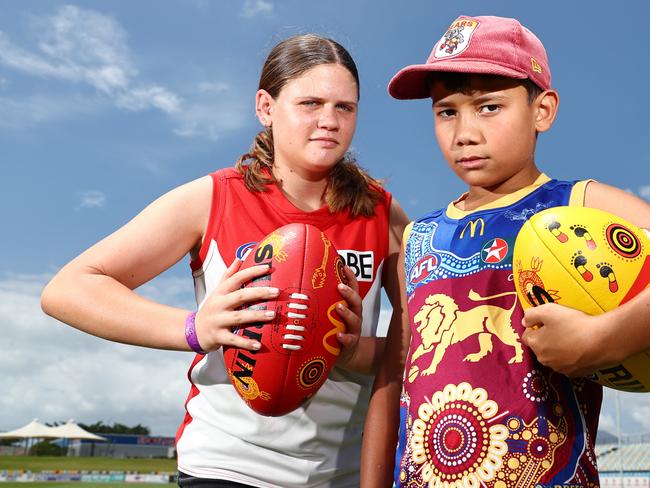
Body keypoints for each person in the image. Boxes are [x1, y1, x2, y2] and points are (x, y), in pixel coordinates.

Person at [41, 34, 409, 488]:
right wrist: (197, 327)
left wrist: (351, 349)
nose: (329, 121)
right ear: (266, 107)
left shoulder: (381, 213)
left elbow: (419, 347)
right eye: (310, 103)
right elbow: (68, 289)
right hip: (226, 466)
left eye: (344, 107)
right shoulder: (214, 198)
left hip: (340, 473)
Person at [360, 15, 650, 488]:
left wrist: (603, 339)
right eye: (446, 111)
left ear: (543, 110)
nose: (464, 132)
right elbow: (394, 379)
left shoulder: (581, 207)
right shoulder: (416, 240)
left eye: (489, 107)